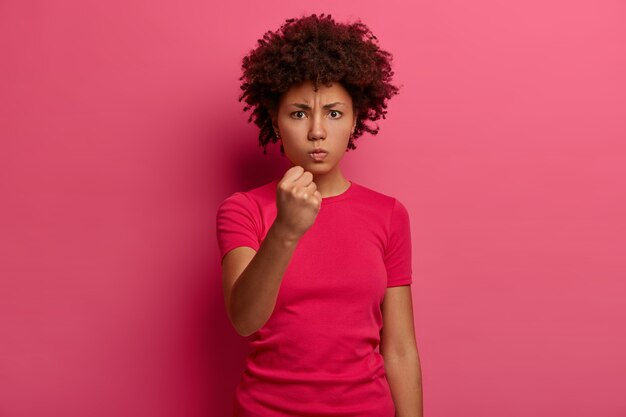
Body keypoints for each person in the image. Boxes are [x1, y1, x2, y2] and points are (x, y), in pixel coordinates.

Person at [216, 13, 423, 417]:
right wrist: (286, 231)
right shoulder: (243, 210)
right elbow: (244, 320)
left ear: (356, 120)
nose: (316, 131)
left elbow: (399, 349)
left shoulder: (389, 214)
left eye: (333, 113)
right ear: (275, 122)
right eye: (298, 113)